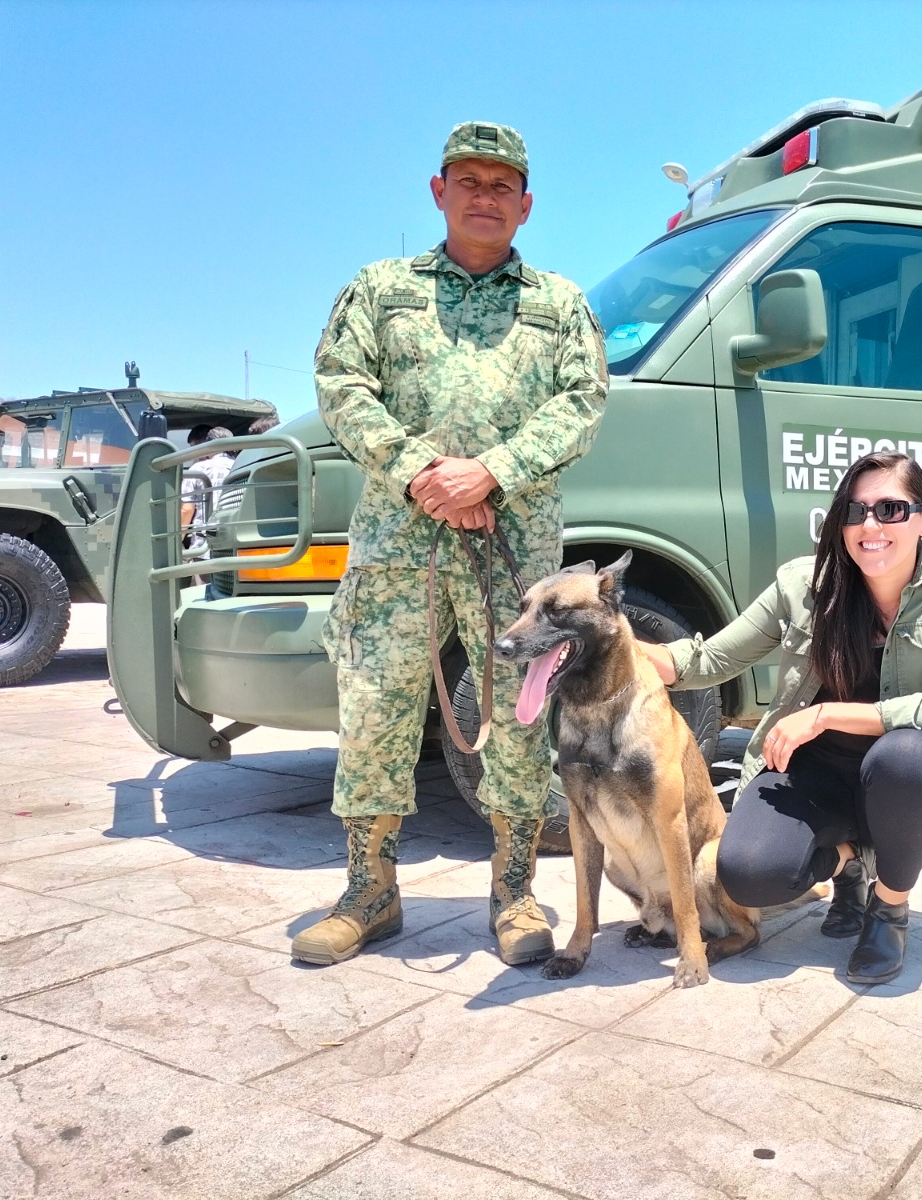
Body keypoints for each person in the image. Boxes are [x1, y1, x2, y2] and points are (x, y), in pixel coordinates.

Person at [292, 121, 609, 967]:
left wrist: (491, 473)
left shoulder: (559, 303)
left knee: (516, 720)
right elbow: (341, 385)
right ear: (438, 192)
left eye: (502, 185)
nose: (484, 196)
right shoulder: (383, 288)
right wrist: (423, 470)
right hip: (400, 543)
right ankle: (369, 891)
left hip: (515, 558)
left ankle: (514, 894)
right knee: (374, 714)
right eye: (468, 181)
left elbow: (581, 404)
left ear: (526, 205)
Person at [638, 452, 922, 984]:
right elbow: (710, 659)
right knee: (749, 875)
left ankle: (889, 908)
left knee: (908, 754)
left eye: (891, 509)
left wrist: (825, 714)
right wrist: (616, 641)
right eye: (855, 511)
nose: (870, 525)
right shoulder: (804, 584)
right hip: (814, 776)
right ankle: (851, 859)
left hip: (913, 781)